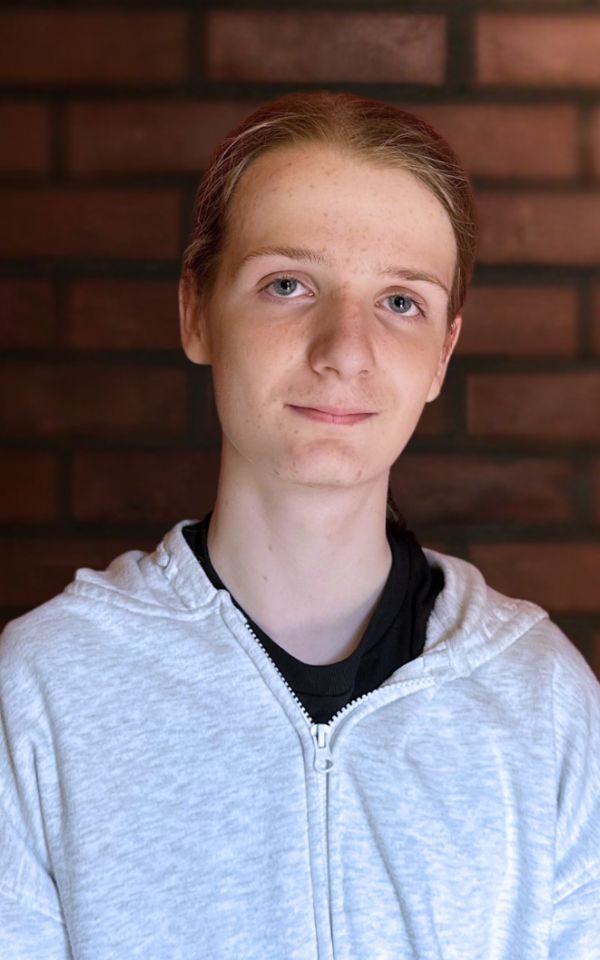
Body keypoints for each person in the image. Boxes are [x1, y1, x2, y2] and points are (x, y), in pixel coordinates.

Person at [1, 91, 599, 960]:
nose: (344, 349)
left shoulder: (544, 702)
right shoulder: (42, 692)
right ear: (196, 312)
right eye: (288, 285)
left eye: (401, 302)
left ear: (444, 354)